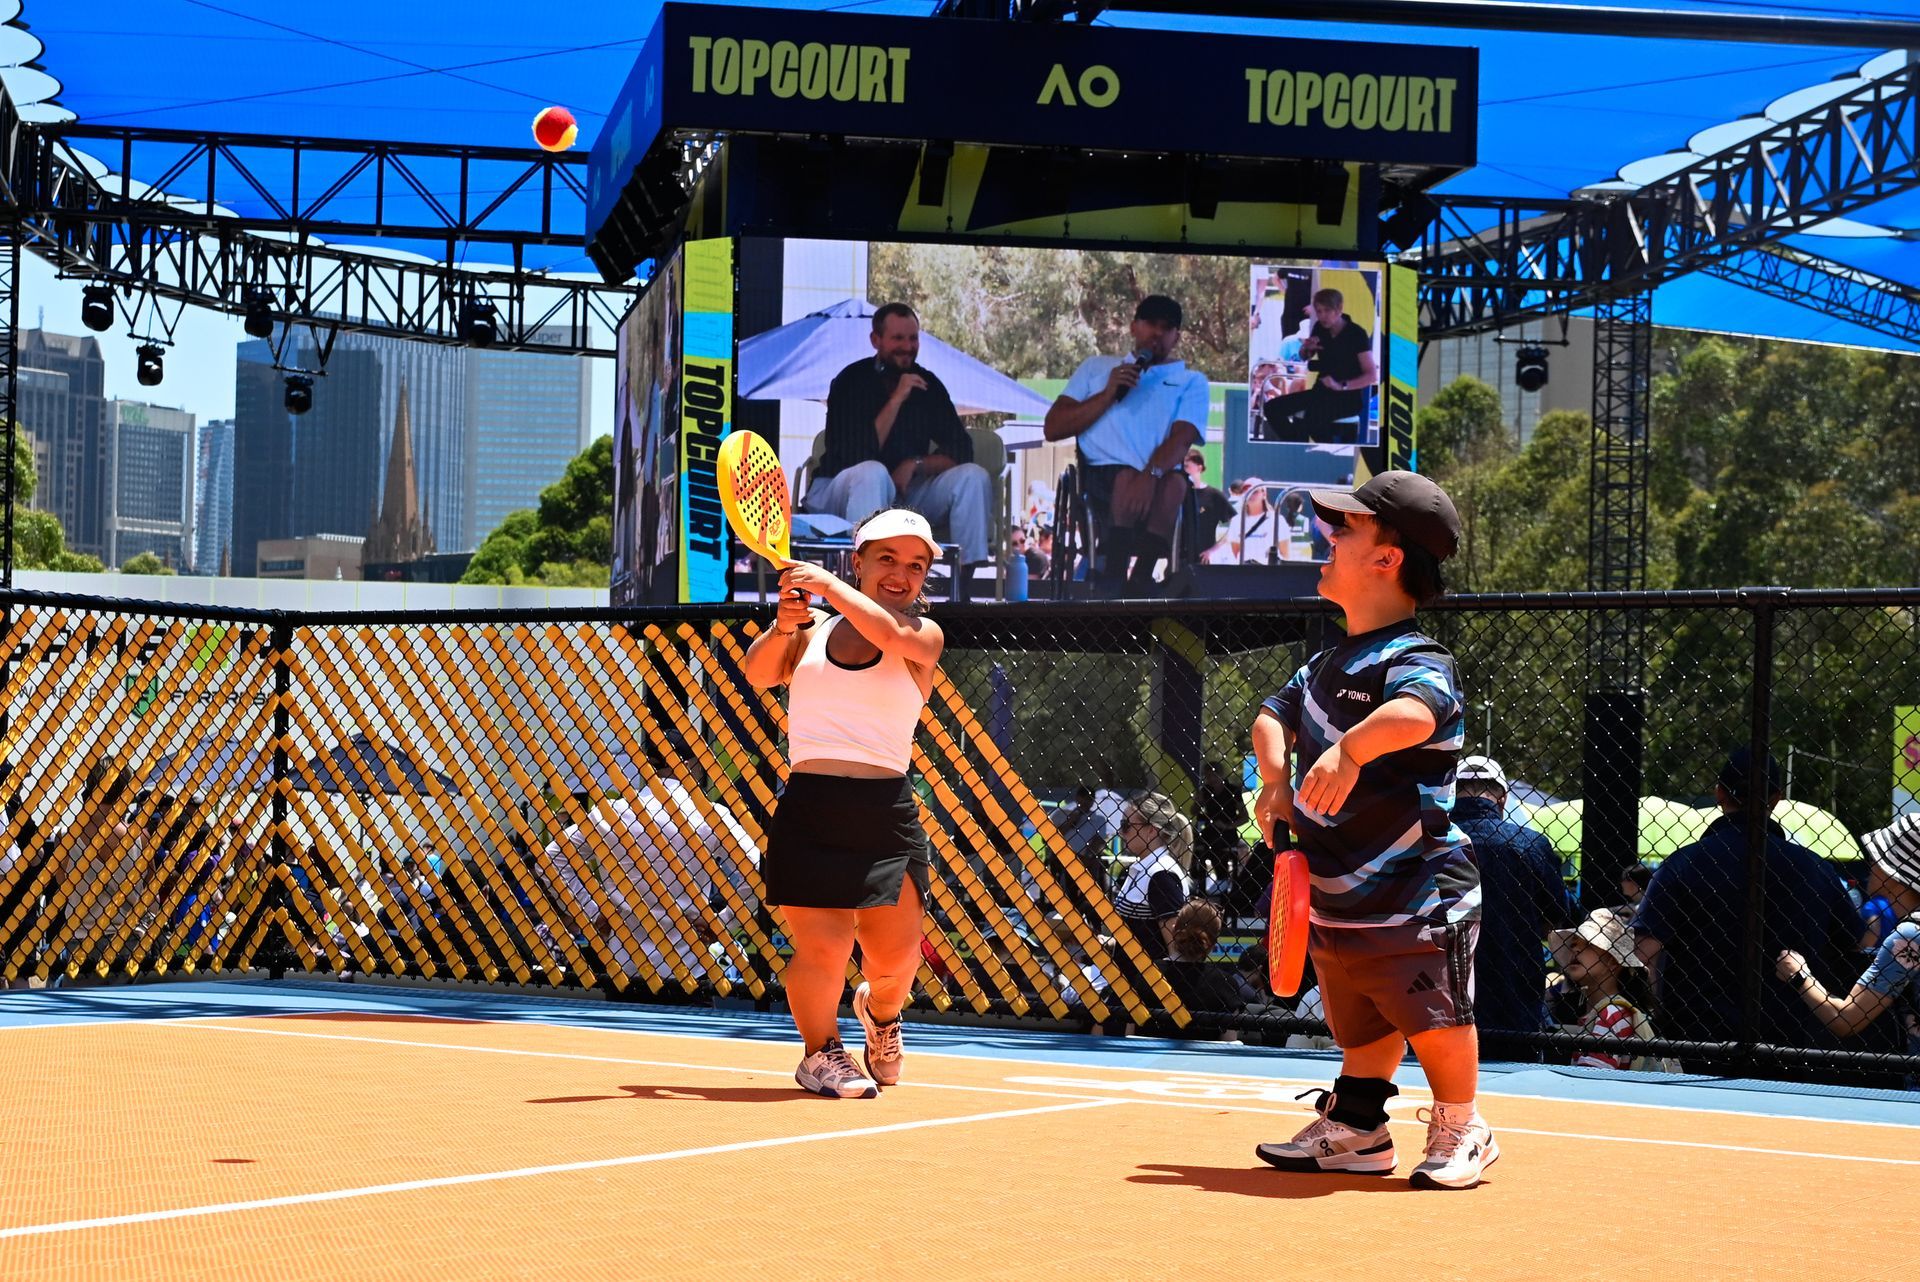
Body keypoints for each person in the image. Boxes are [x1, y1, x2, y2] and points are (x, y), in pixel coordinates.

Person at [1248, 470, 1495, 1190]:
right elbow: (1272, 715)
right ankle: (1358, 1128)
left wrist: (1352, 746)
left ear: (1387, 560)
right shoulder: (1325, 662)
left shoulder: (1419, 659)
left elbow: (1418, 714)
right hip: (1338, 892)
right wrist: (1275, 779)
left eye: (1345, 529)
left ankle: (1462, 1123)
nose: (1327, 537)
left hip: (1419, 888)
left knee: (1437, 1017)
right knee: (1360, 1013)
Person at [743, 508, 945, 1099]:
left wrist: (827, 587)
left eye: (916, 565)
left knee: (896, 961)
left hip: (886, 813)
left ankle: (880, 1017)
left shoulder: (922, 637)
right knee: (823, 945)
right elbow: (759, 674)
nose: (901, 574)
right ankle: (819, 1053)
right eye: (887, 558)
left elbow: (888, 633)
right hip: (811, 808)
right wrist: (784, 626)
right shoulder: (811, 632)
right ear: (859, 561)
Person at [1632, 746, 1863, 1071]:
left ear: (1719, 793)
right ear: (1777, 798)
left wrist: (1661, 1009)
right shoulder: (1816, 868)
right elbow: (1856, 943)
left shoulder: (1684, 864)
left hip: (1701, 1034)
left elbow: (1644, 950)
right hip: (1795, 1036)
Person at [1043, 295, 1210, 596]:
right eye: (1150, 324)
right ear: (1134, 327)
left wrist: (1149, 477)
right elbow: (1054, 427)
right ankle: (1114, 573)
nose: (1157, 334)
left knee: (1176, 484)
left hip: (1159, 480)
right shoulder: (1097, 368)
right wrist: (1108, 394)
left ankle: (1141, 577)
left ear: (1177, 336)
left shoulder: (1191, 381)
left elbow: (1182, 438)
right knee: (1124, 477)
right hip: (1100, 480)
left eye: (1166, 327)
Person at [807, 303, 993, 569]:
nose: (907, 346)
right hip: (840, 488)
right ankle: (862, 583)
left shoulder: (927, 384)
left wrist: (916, 465)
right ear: (876, 340)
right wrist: (896, 400)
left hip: (903, 493)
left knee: (973, 476)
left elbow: (962, 449)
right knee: (872, 473)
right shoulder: (850, 381)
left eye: (913, 338)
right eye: (898, 338)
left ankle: (964, 586)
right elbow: (857, 454)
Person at [1775, 813, 1920, 1064]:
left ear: (1894, 872)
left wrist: (1799, 975)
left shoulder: (1910, 936)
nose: (1871, 863)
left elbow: (1846, 1019)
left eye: (1879, 857)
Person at [1453, 754, 1572, 1039]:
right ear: (1503, 799)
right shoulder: (1531, 843)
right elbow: (1561, 913)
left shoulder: (1428, 840)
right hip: (1513, 984)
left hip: (1440, 983)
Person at [1549, 907, 1666, 1071]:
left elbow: (1590, 1081)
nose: (1575, 949)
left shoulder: (1610, 1015)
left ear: (1613, 961)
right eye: (1574, 943)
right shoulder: (1606, 1012)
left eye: (1589, 944)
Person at [1260, 288, 1377, 444]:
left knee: (1312, 420)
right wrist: (1307, 349)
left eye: (1327, 311)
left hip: (1347, 398)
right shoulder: (1319, 328)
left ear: (1339, 309)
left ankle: (1313, 453)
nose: (1322, 316)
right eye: (1319, 311)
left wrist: (1341, 385)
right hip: (1320, 393)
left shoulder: (1356, 334)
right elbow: (1304, 356)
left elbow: (1371, 375)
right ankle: (1299, 447)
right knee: (1272, 408)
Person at [1111, 790, 1194, 962]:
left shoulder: (1161, 874)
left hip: (1148, 985)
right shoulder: (1145, 869)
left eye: (1126, 825)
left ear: (1151, 831)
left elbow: (1175, 951)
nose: (1121, 832)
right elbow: (1145, 935)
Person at [1161, 899, 1256, 1016]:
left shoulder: (1148, 973)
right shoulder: (1225, 985)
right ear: (1213, 943)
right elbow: (1230, 1034)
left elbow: (1130, 1032)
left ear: (1173, 929)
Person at [1183, 448, 1234, 552]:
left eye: (1187, 466)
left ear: (1199, 468)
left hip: (1202, 557)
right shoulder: (1179, 495)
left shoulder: (1213, 495)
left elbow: (1234, 525)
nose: (1184, 471)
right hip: (1179, 557)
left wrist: (1213, 550)